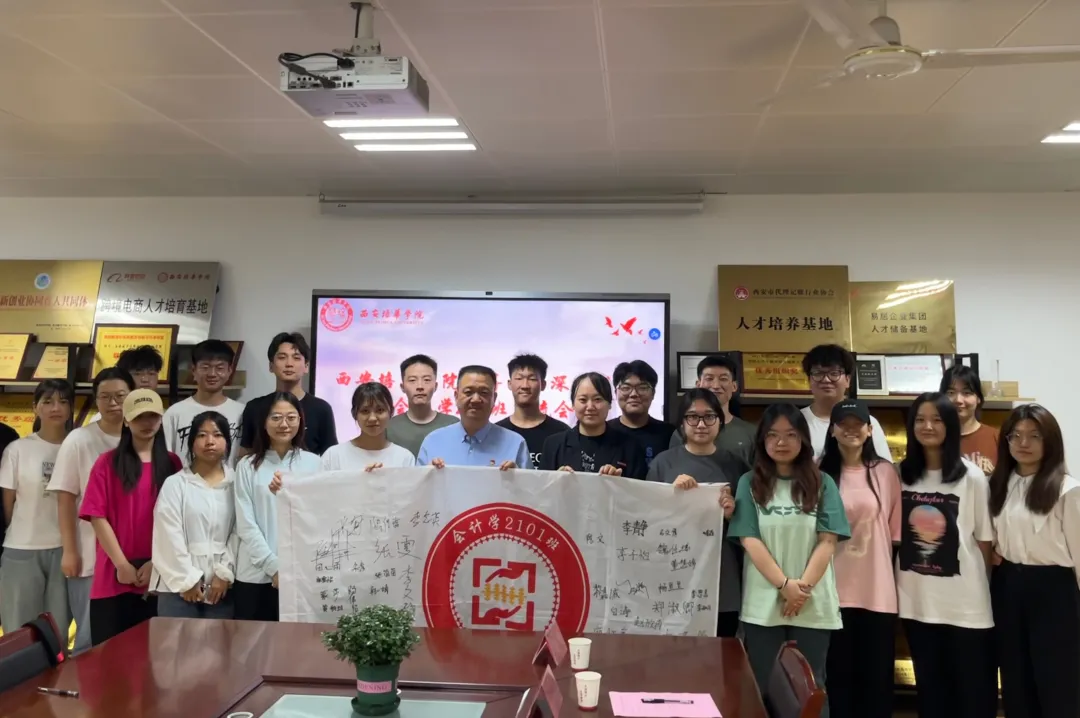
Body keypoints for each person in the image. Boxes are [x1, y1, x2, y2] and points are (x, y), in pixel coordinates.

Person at [727, 403, 850, 718]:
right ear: (762, 441)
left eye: (791, 434)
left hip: (813, 604)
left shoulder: (823, 482)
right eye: (773, 435)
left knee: (810, 690)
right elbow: (749, 540)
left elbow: (828, 541)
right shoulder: (748, 483)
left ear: (804, 439)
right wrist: (784, 585)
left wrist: (800, 589)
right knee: (762, 688)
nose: (781, 442)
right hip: (763, 606)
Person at [896, 393, 995, 718]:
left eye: (937, 419)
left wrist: (981, 589)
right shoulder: (900, 475)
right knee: (931, 694)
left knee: (972, 695)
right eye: (920, 420)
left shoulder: (972, 477)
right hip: (917, 602)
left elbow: (983, 541)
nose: (928, 426)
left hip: (965, 605)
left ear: (950, 425)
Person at [989, 404, 1080, 718]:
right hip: (1008, 586)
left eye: (1034, 436)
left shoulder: (1068, 490)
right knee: (1016, 679)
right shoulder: (997, 484)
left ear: (1050, 440)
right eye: (1016, 436)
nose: (1023, 443)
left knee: (1058, 680)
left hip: (1054, 590)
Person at [818, 399, 902, 718]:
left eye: (858, 424)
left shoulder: (885, 473)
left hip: (876, 593)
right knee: (837, 680)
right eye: (844, 424)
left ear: (869, 430)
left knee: (876, 683)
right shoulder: (816, 471)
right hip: (830, 593)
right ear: (832, 430)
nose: (851, 430)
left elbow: (894, 535)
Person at [79, 389, 181, 645]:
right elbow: (97, 516)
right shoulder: (106, 463)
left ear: (161, 419)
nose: (147, 423)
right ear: (126, 420)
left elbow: (180, 521)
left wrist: (157, 563)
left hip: (161, 576)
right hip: (114, 575)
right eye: (139, 417)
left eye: (152, 416)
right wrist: (122, 564)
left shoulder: (173, 464)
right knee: (110, 659)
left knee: (156, 659)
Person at [46, 366, 135, 654]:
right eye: (105, 397)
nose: (113, 403)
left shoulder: (145, 437)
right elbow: (65, 498)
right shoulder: (79, 440)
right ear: (95, 400)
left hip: (136, 557)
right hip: (90, 555)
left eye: (120, 396)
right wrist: (70, 551)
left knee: (131, 638)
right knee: (89, 637)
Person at [647, 388, 742, 636]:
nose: (701, 424)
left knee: (721, 651)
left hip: (722, 579)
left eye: (709, 416)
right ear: (682, 423)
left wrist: (732, 515)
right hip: (673, 575)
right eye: (692, 417)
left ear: (720, 421)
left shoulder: (736, 465)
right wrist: (672, 497)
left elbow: (749, 528)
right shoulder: (663, 464)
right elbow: (647, 521)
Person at [234, 393, 322, 621]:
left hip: (302, 573)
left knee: (297, 642)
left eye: (291, 417)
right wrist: (273, 567)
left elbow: (319, 518)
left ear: (301, 421)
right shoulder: (246, 466)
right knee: (253, 642)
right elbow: (246, 524)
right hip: (255, 574)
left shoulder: (315, 463)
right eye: (275, 418)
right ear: (263, 422)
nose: (284, 424)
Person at [0, 380, 74, 638]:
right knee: (18, 632)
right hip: (21, 550)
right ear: (35, 408)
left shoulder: (77, 446)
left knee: (58, 633)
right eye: (48, 401)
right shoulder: (17, 449)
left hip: (65, 551)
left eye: (63, 402)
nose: (56, 408)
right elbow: (7, 504)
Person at [151, 411, 238, 619]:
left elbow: (240, 531)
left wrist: (224, 573)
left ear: (227, 442)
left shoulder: (237, 483)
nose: (210, 441)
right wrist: (187, 580)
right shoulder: (176, 484)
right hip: (177, 587)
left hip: (221, 588)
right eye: (201, 435)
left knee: (219, 641)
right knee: (177, 641)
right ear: (191, 443)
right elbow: (167, 534)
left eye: (217, 435)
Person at [238, 333, 337, 458]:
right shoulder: (254, 407)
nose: (289, 363)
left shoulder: (321, 409)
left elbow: (331, 458)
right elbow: (246, 454)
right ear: (271, 366)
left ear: (306, 366)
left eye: (296, 358)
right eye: (282, 357)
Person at [417, 366, 528, 470]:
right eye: (468, 392)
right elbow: (417, 483)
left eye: (484, 393)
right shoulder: (433, 442)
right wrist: (428, 476)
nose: (475, 400)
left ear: (494, 398)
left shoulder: (516, 443)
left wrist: (517, 477)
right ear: (456, 396)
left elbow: (531, 484)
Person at [540, 373, 647, 479]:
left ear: (609, 403)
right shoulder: (553, 445)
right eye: (583, 400)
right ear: (573, 404)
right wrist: (555, 480)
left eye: (597, 399)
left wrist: (619, 483)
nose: (590, 407)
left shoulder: (630, 447)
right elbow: (541, 487)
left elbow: (640, 488)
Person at [801, 344, 892, 461]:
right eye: (818, 373)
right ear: (809, 380)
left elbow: (883, 467)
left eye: (834, 373)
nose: (826, 380)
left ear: (848, 380)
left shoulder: (867, 422)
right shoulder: (796, 421)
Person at [162, 340, 245, 467]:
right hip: (184, 479)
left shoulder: (242, 413)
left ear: (230, 371)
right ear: (193, 370)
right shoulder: (174, 413)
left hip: (231, 480)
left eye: (220, 368)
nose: (212, 374)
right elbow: (165, 458)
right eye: (205, 367)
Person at [669, 355, 756, 467]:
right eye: (709, 379)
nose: (716, 386)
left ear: (734, 386)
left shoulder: (751, 433)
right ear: (698, 385)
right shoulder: (682, 432)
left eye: (723, 379)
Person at [496, 354, 570, 469]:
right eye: (519, 378)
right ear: (509, 384)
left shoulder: (562, 432)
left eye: (532, 379)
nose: (525, 385)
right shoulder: (497, 433)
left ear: (543, 385)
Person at [321, 383, 416, 470]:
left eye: (380, 410)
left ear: (391, 412)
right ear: (354, 414)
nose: (372, 418)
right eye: (365, 411)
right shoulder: (333, 456)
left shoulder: (405, 458)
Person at [387, 354, 458, 457]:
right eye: (412, 380)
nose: (420, 386)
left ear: (435, 386)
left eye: (427, 380)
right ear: (402, 387)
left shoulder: (453, 425)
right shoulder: (389, 427)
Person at [609, 360, 676, 467]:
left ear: (653, 393)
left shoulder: (669, 434)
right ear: (616, 393)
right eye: (626, 388)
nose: (634, 394)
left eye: (642, 388)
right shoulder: (605, 431)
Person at [941, 365, 997, 476]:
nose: (958, 400)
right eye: (951, 393)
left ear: (978, 398)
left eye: (966, 393)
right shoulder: (934, 438)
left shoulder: (996, 438)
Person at [88, 346, 165, 423]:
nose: (145, 379)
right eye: (137, 374)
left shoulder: (166, 417)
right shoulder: (102, 419)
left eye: (151, 373)